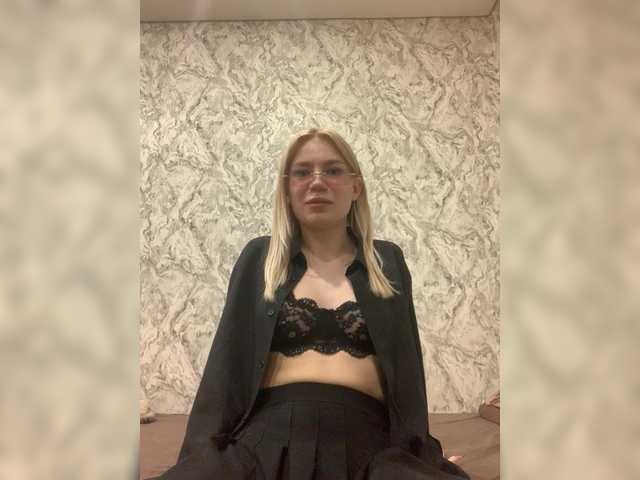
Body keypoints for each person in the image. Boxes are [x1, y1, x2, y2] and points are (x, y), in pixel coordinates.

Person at [149, 128, 470, 479]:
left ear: (356, 187)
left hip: (370, 445)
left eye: (332, 170)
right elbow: (225, 367)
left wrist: (421, 455)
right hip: (264, 440)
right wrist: (198, 456)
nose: (317, 182)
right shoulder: (260, 258)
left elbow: (407, 371)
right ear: (287, 190)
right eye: (302, 172)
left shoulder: (387, 261)